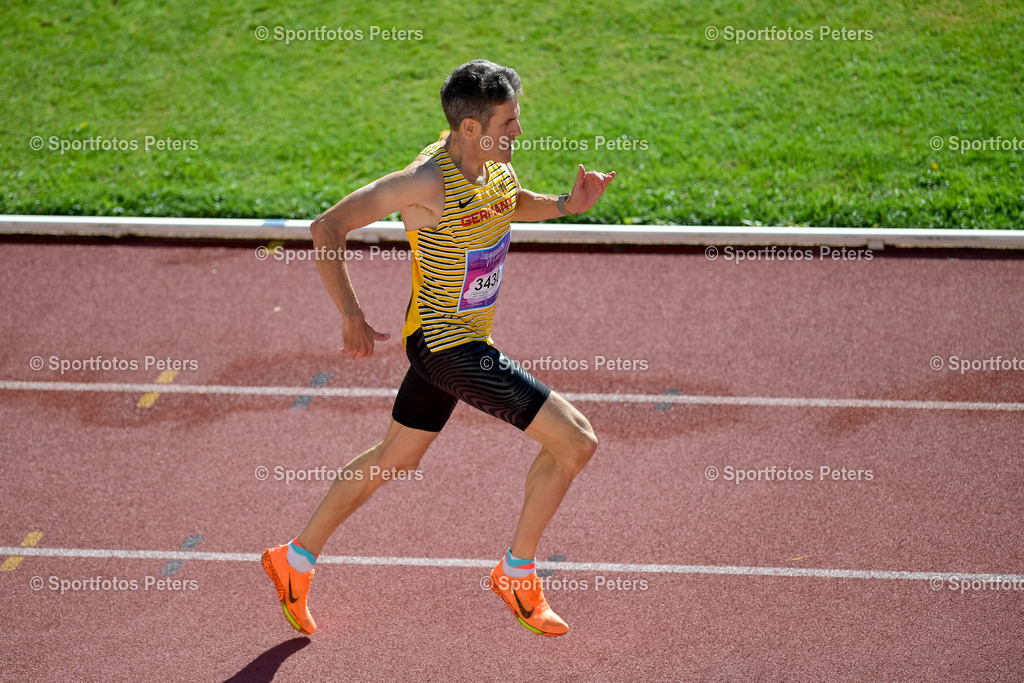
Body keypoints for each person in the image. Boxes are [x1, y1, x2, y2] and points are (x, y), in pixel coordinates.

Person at [262, 59, 616, 637]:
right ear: (470, 127)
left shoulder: (493, 162)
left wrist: (565, 204)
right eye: (509, 123)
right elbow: (326, 227)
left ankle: (294, 560)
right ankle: (517, 573)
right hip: (448, 347)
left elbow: (508, 201)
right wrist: (351, 314)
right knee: (576, 442)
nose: (518, 134)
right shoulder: (425, 183)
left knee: (396, 458)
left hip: (461, 338)